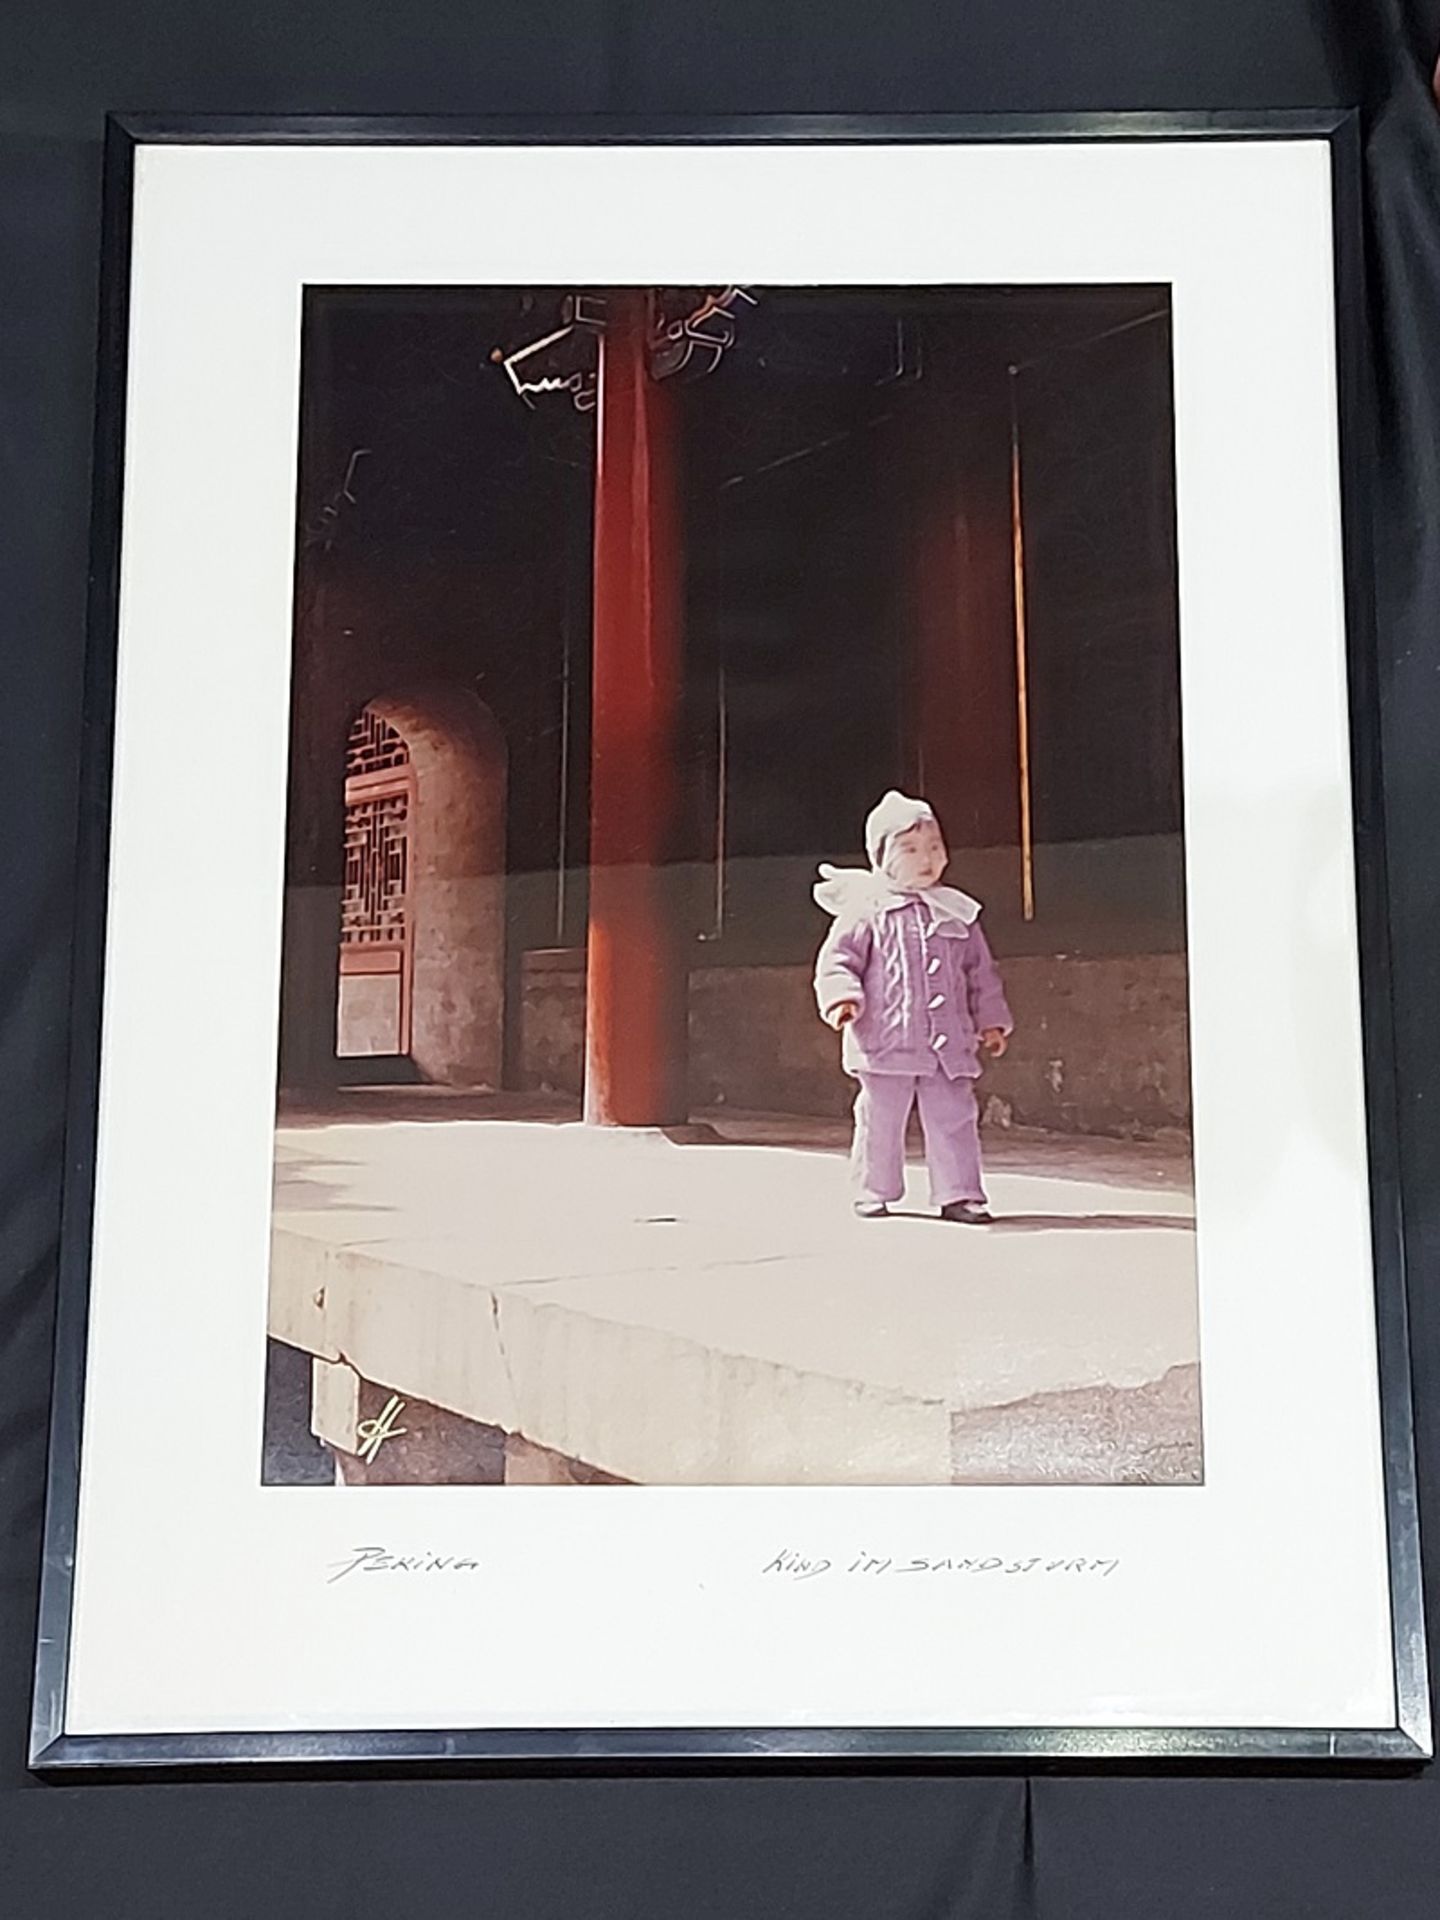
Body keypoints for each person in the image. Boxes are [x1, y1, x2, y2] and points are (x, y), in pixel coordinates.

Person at [813, 790, 1013, 1223]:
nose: (927, 858)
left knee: (955, 1117)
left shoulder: (958, 914)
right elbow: (839, 960)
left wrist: (991, 1021)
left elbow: (981, 974)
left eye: (935, 847)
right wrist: (843, 999)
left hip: (949, 1044)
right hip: (886, 1042)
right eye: (910, 849)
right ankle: (873, 1189)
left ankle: (960, 1193)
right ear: (882, 855)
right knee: (880, 1119)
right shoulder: (867, 909)